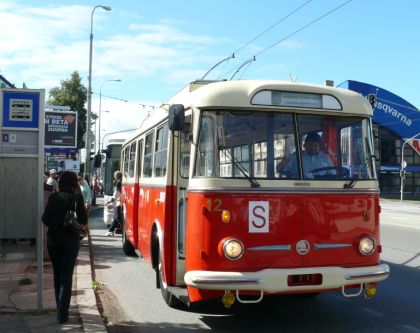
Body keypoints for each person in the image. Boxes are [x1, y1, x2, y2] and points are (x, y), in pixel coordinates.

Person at [42, 171, 88, 324]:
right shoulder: (76, 197)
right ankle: (63, 314)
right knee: (66, 276)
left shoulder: (54, 197)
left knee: (57, 274)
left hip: (53, 239)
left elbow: (45, 219)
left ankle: (59, 309)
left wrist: (56, 225)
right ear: (75, 184)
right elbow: (83, 218)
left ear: (60, 183)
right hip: (70, 240)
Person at [105, 171, 122, 236]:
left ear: (116, 177)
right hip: (120, 202)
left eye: (115, 177)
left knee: (117, 217)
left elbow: (116, 195)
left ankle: (111, 230)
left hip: (119, 202)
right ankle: (112, 230)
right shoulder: (122, 181)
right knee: (117, 217)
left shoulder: (119, 183)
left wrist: (109, 201)